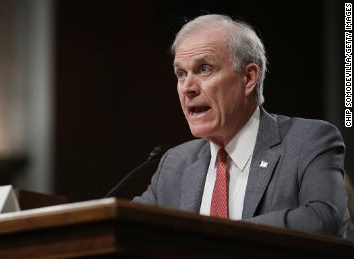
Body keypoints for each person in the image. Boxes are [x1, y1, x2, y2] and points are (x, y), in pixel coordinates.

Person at [133, 14, 349, 236]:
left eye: (204, 69)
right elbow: (129, 229)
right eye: (181, 73)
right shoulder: (175, 164)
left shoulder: (308, 141)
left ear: (248, 77)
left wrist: (222, 237)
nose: (188, 87)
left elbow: (325, 218)